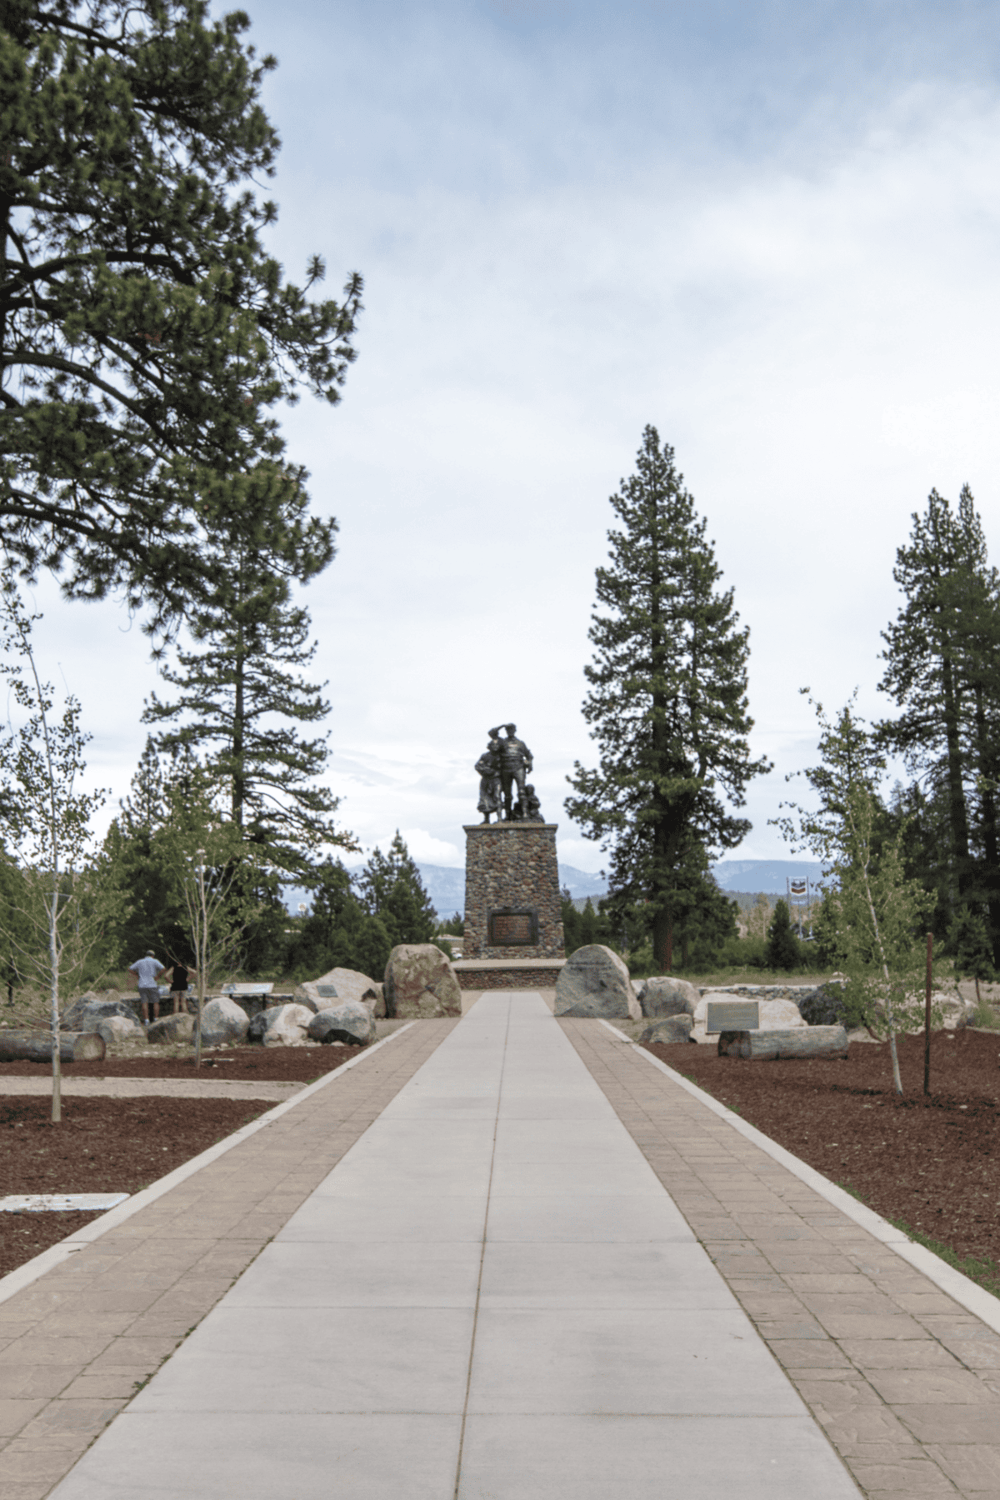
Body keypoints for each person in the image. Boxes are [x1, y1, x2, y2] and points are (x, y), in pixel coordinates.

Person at [128, 950, 165, 1024]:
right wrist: (158, 976)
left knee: (144, 1002)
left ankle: (146, 1020)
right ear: (153, 955)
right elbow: (163, 968)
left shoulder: (140, 961)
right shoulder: (155, 961)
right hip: (152, 984)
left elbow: (130, 969)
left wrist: (136, 975)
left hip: (142, 984)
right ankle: (156, 1018)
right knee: (155, 1002)